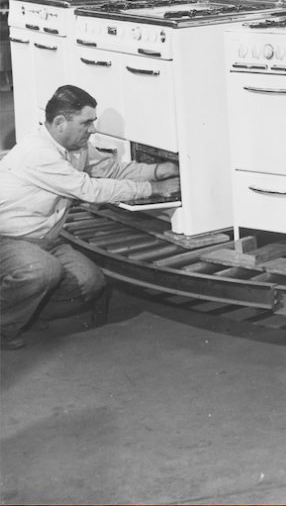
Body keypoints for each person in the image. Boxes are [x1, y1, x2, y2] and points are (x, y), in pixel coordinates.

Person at [0, 85, 180, 350]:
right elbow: (89, 189)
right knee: (43, 271)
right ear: (60, 122)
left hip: (45, 238)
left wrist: (159, 170)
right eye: (86, 123)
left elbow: (111, 169)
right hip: (8, 239)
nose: (93, 130)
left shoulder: (76, 146)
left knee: (89, 282)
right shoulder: (39, 153)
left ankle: (25, 311)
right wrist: (152, 189)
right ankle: (6, 322)